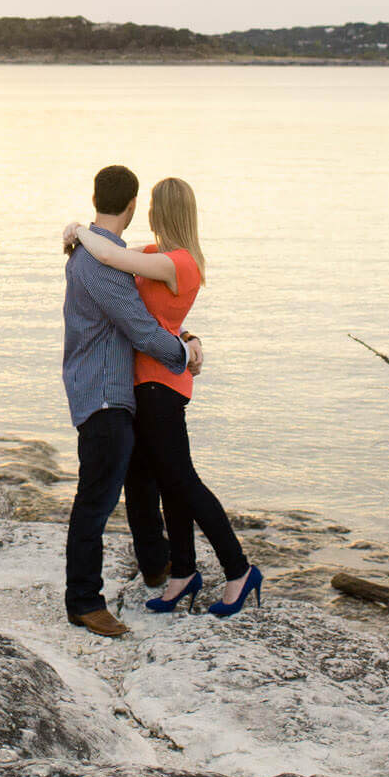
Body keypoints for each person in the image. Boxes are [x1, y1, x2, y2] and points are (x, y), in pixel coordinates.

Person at [65, 176, 261, 618]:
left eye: (155, 206)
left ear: (160, 212)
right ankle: (182, 572)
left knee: (181, 482)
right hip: (143, 383)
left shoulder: (180, 263)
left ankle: (238, 569)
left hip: (162, 385)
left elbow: (112, 257)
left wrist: (79, 231)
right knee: (163, 485)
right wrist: (188, 337)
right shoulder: (154, 256)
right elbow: (121, 269)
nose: (148, 213)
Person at [60, 164, 200, 637]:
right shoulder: (101, 263)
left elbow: (150, 315)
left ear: (97, 197)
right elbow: (141, 328)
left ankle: (156, 564)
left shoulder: (102, 254)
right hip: (102, 395)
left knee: (140, 481)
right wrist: (185, 354)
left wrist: (186, 336)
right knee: (96, 500)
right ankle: (83, 600)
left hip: (115, 391)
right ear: (134, 205)